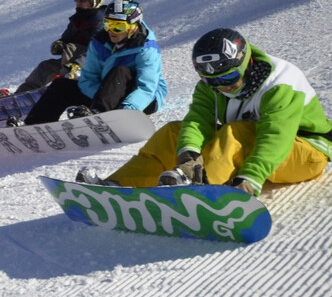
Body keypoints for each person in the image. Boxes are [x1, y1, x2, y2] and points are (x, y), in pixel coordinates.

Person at [78, 29, 332, 192]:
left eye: (230, 76)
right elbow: (198, 120)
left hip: (306, 153)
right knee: (174, 132)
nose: (223, 86)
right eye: (213, 81)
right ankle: (115, 186)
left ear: (245, 61)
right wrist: (188, 158)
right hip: (259, 145)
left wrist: (251, 179)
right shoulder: (211, 85)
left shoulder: (280, 84)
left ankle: (205, 190)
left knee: (237, 131)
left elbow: (276, 137)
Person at [18, 0, 167, 126]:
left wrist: (125, 110)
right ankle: (34, 124)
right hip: (105, 98)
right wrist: (102, 97)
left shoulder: (146, 48)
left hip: (142, 101)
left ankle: (99, 113)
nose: (111, 31)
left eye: (119, 26)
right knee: (61, 86)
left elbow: (147, 88)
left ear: (133, 27)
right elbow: (87, 79)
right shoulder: (99, 42)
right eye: (108, 24)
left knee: (120, 70)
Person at [13, 0, 107, 94]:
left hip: (91, 66)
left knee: (72, 48)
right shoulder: (78, 20)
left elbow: (96, 50)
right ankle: (21, 96)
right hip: (71, 64)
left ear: (96, 2)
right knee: (46, 67)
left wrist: (78, 64)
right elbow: (66, 38)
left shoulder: (101, 23)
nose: (79, 3)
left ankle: (63, 88)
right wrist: (59, 44)